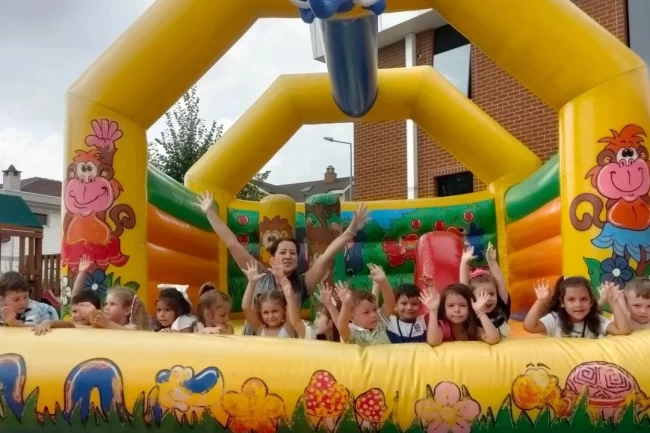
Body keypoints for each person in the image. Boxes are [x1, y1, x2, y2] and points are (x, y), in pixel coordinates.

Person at [196, 191, 368, 334]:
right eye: (283, 252)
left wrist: (351, 230)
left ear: (297, 259)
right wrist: (210, 212)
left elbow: (326, 257)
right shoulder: (260, 275)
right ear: (272, 259)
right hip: (255, 343)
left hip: (286, 348)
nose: (288, 256)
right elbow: (232, 243)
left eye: (293, 253)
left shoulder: (302, 283)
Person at [523, 277, 631, 338]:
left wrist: (613, 302)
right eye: (571, 300)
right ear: (562, 303)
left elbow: (623, 330)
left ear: (591, 302)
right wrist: (540, 302)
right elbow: (529, 326)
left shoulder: (596, 320)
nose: (578, 305)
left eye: (584, 299)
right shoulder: (555, 320)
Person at [421, 283, 501, 346]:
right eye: (451, 305)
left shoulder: (472, 329)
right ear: (444, 309)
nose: (457, 310)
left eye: (462, 305)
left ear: (470, 308)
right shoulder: (444, 328)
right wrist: (433, 311)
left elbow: (494, 339)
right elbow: (433, 342)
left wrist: (480, 312)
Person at [336, 264, 395, 347]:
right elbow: (342, 327)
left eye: (375, 310)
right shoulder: (353, 333)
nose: (374, 315)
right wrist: (346, 304)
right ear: (352, 318)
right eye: (366, 312)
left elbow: (389, 303)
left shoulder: (380, 322)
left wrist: (383, 282)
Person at [460, 243, 510, 338]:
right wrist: (464, 263)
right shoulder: (472, 311)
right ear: (472, 298)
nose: (488, 298)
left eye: (491, 294)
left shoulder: (501, 306)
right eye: (482, 295)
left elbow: (501, 284)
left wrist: (492, 262)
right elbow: (463, 290)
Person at [242, 260, 293, 337]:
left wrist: (282, 278)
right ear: (261, 314)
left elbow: (291, 301)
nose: (270, 316)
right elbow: (246, 308)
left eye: (275, 311)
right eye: (266, 312)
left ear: (284, 310)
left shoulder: (288, 327)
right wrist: (251, 283)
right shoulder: (259, 328)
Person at [32, 290, 101, 335]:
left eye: (83, 311)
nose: (78, 315)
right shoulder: (74, 324)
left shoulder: (100, 323)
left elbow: (100, 323)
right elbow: (67, 324)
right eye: (74, 311)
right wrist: (49, 322)